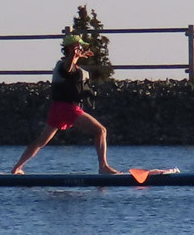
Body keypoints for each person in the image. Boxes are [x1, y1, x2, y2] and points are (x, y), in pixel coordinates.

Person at [12, 34, 118, 175]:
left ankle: (17, 168)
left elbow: (71, 65)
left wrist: (78, 55)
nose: (81, 49)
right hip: (67, 109)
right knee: (100, 131)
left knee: (41, 141)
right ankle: (103, 166)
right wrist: (74, 54)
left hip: (57, 109)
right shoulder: (65, 66)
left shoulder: (67, 65)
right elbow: (68, 67)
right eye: (79, 47)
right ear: (72, 48)